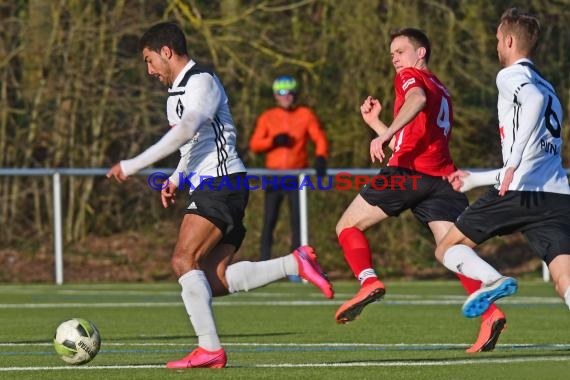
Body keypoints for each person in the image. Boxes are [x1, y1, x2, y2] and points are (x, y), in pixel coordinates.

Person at [107, 22, 333, 369]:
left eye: (150, 60)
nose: (149, 70)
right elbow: (191, 143)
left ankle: (209, 349)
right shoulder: (175, 96)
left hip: (222, 182)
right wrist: (176, 177)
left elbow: (186, 128)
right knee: (214, 279)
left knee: (183, 260)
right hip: (214, 184)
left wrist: (133, 164)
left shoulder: (203, 81)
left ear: (166, 52)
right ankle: (294, 263)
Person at [333, 28, 506, 353]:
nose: (395, 59)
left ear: (421, 52)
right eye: (392, 54)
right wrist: (377, 125)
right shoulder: (442, 88)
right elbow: (410, 141)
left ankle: (368, 280)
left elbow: (416, 101)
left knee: (347, 226)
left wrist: (383, 136)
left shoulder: (412, 79)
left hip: (407, 175)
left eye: (400, 51)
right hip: (441, 180)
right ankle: (490, 313)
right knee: (452, 251)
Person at [436, 8, 570, 319]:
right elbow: (538, 156)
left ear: (509, 41)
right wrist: (477, 179)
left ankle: (493, 280)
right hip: (557, 196)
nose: (496, 46)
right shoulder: (549, 87)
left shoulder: (510, 75)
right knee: (564, 279)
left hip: (519, 192)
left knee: (447, 247)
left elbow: (530, 109)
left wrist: (511, 163)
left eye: (497, 39)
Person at [249, 76, 329, 265]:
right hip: (274, 175)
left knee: (298, 222)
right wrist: (273, 141)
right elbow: (255, 144)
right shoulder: (267, 117)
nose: (286, 97)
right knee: (269, 221)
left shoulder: (305, 114)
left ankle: (299, 266)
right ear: (275, 95)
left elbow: (319, 138)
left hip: (297, 175)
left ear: (295, 94)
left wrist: (321, 157)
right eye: (282, 93)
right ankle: (264, 264)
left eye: (290, 93)